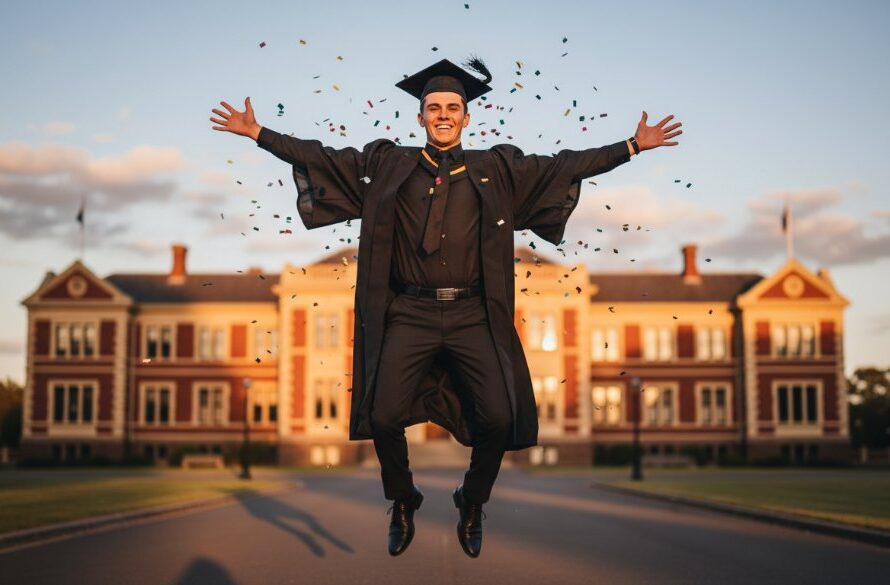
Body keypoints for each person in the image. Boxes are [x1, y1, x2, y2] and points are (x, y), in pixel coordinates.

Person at [209, 57, 682, 558]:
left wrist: (632, 147)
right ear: (420, 117)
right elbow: (322, 156)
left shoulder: (495, 169)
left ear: (466, 116)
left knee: (498, 416)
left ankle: (471, 500)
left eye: (452, 108)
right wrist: (258, 133)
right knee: (382, 414)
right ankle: (403, 499)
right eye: (433, 107)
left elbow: (564, 165)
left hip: (472, 314)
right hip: (409, 312)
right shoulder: (388, 166)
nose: (443, 115)